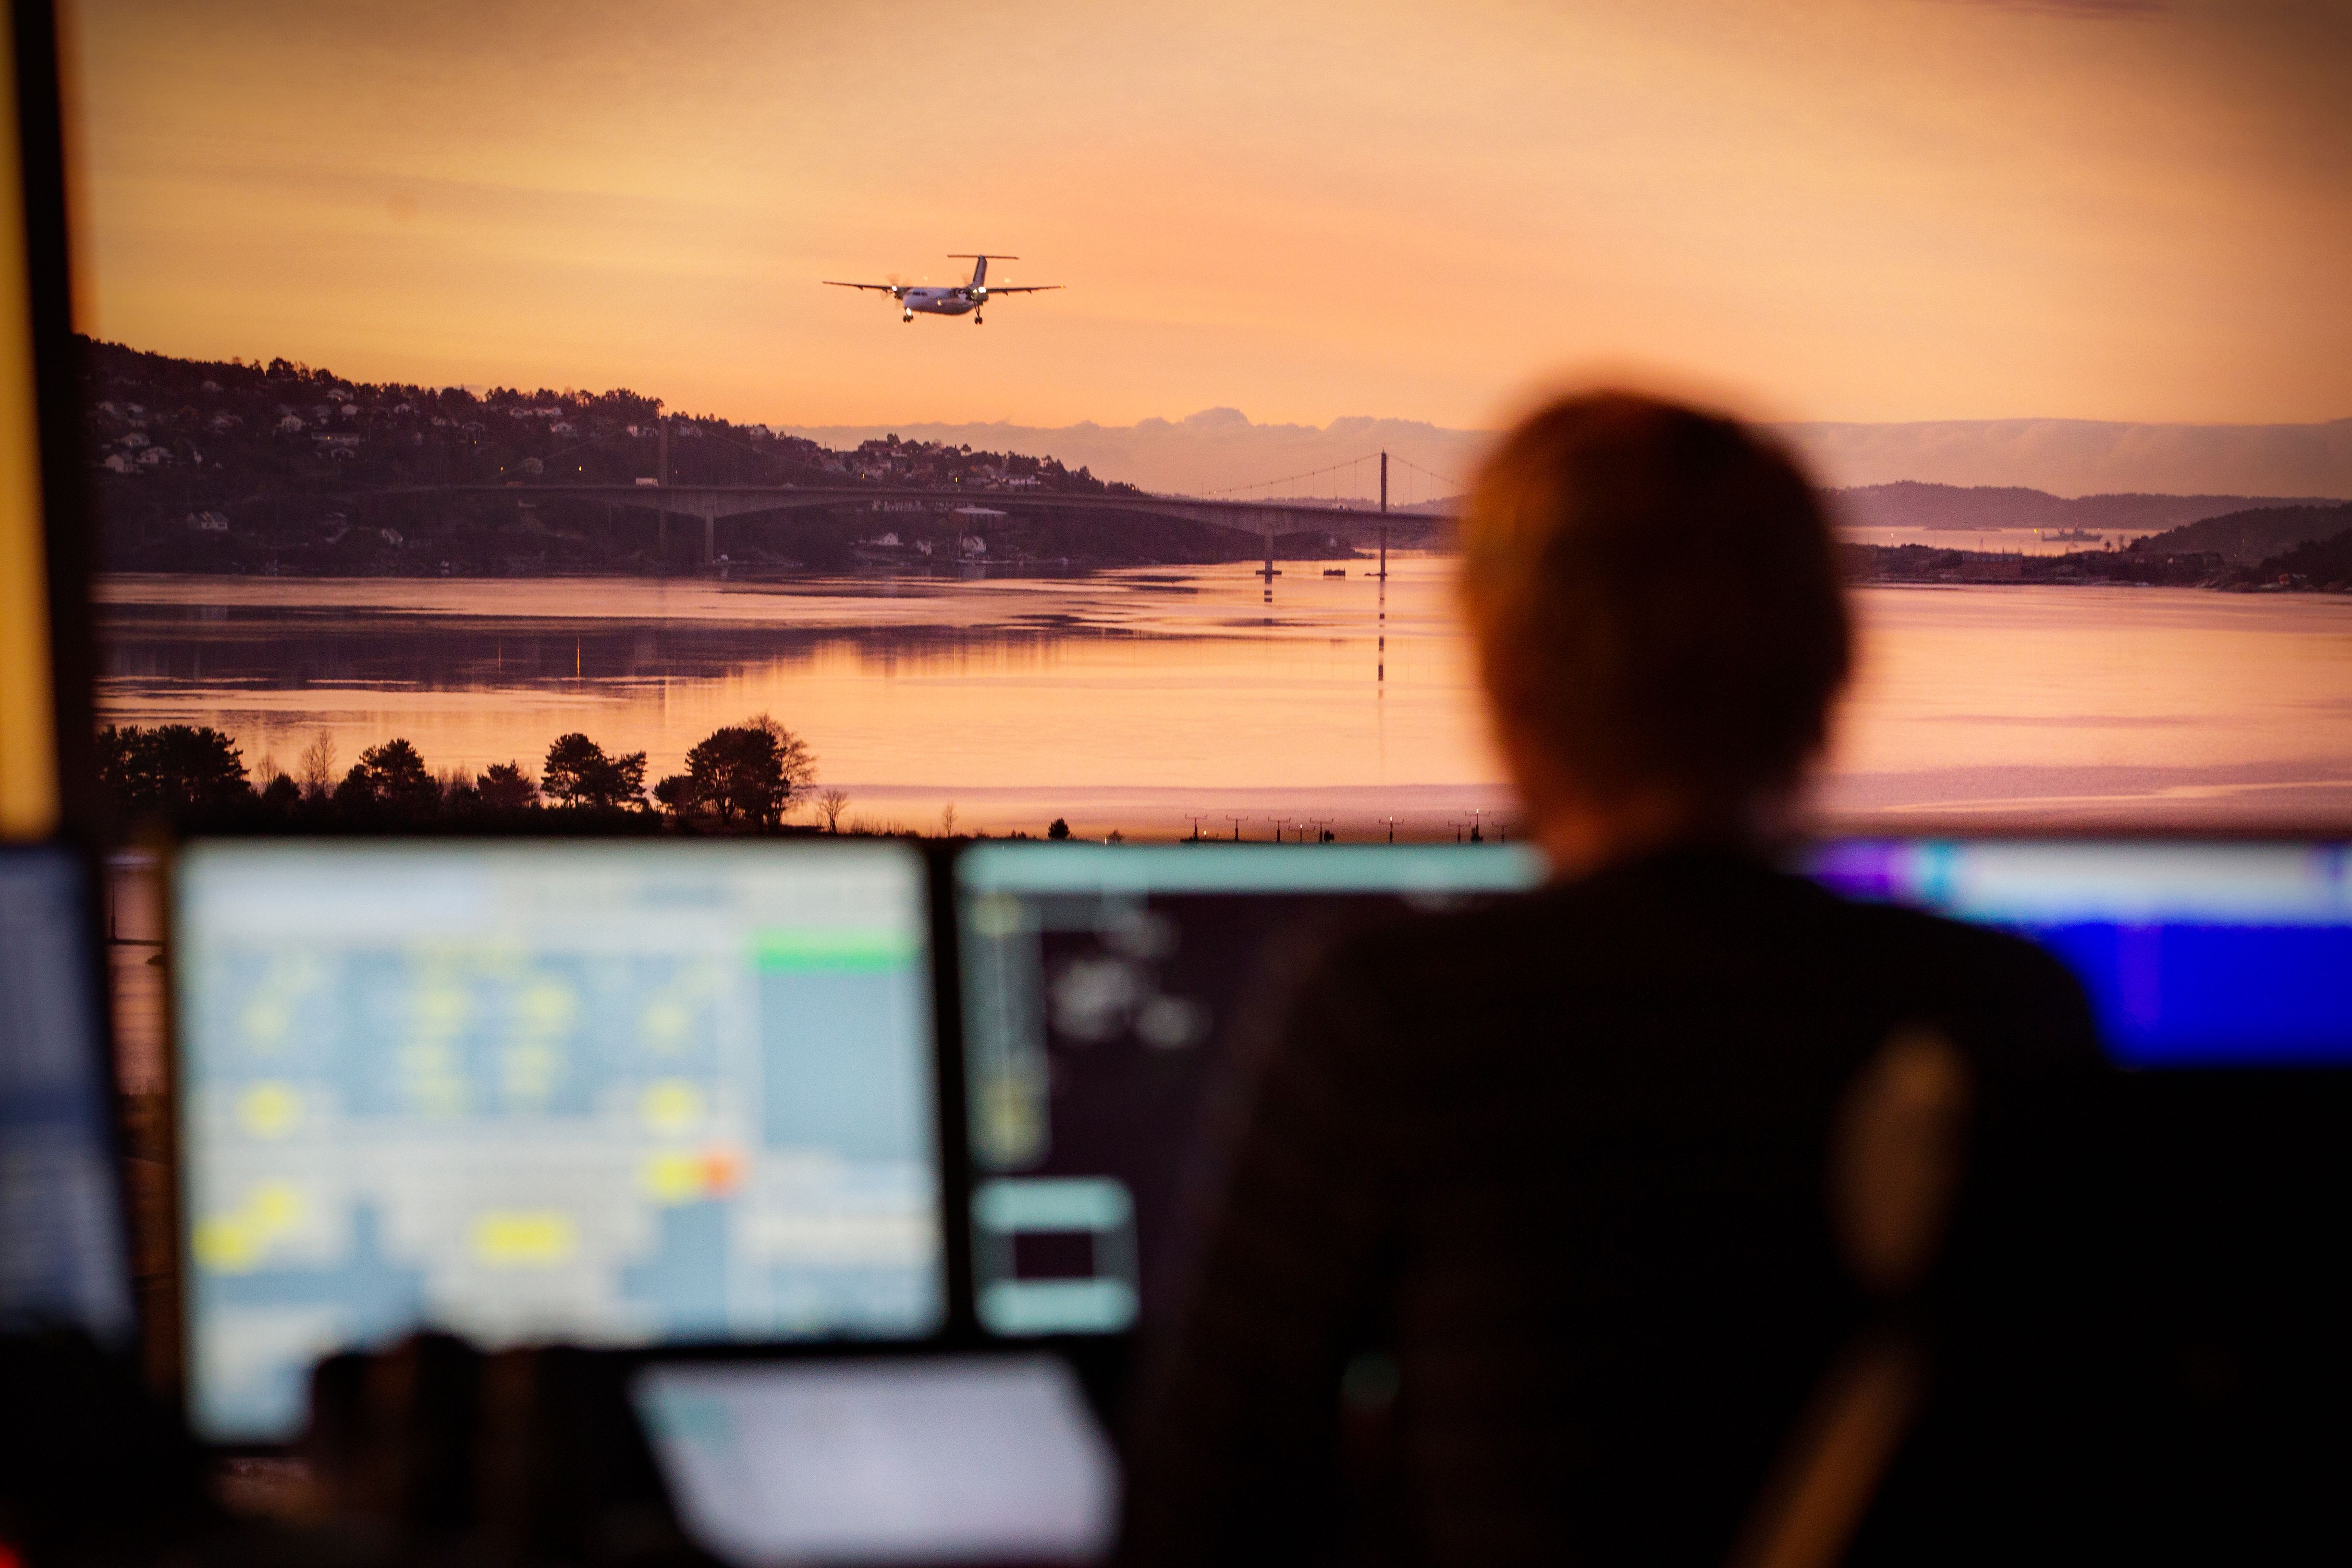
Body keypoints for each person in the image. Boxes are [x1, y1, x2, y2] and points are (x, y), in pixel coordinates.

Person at [1118, 392, 2106, 1568]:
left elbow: (1198, 1514)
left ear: (1506, 684)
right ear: (1829, 673)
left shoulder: (1392, 1020)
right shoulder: (2010, 1013)